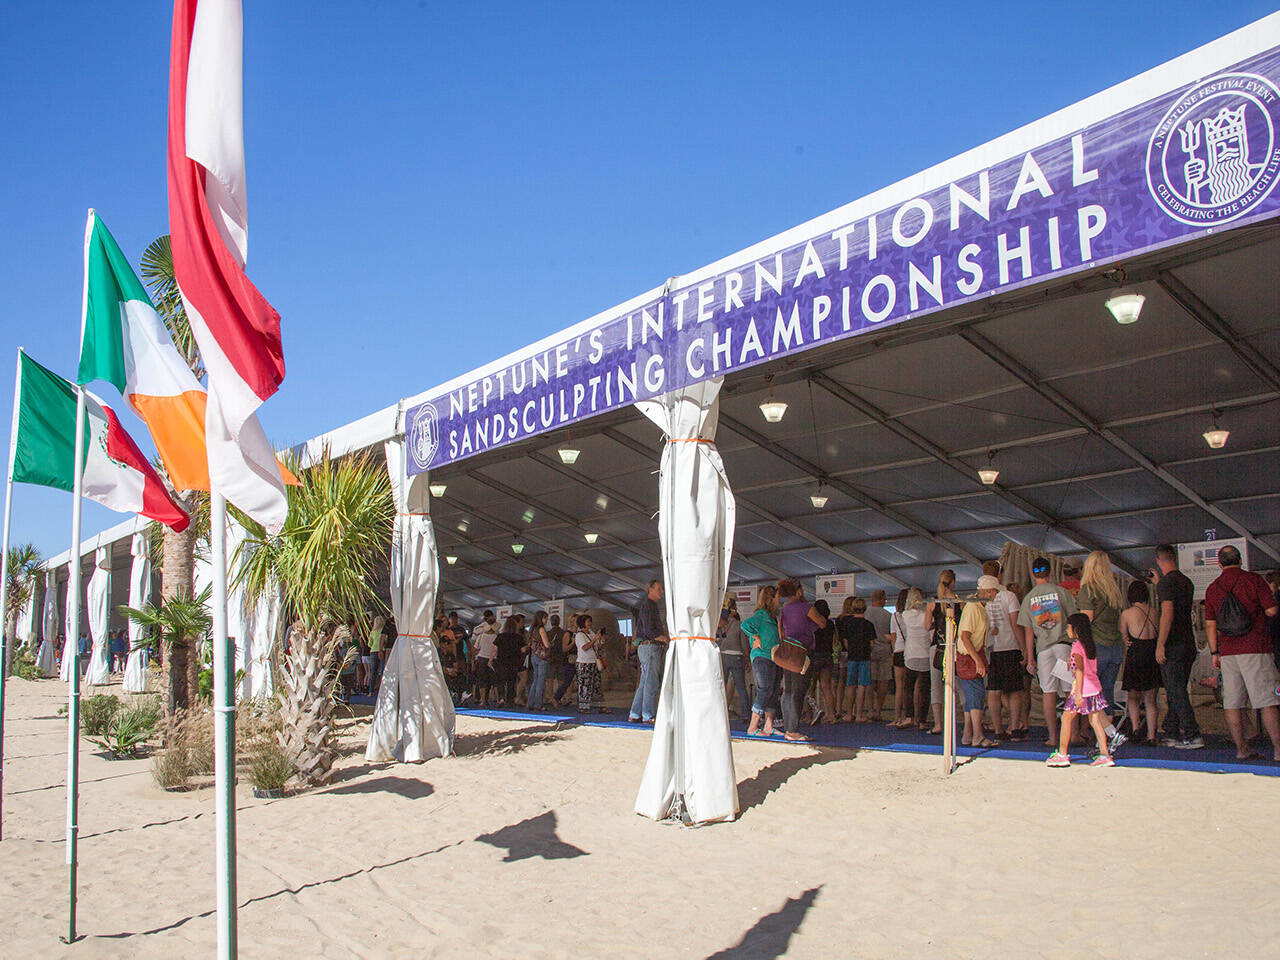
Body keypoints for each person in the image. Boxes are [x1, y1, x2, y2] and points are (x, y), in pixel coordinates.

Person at [1204, 544, 1280, 761]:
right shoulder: (1254, 580)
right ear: (1240, 561)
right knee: (1266, 700)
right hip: (1256, 648)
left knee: (1232, 703)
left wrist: (1214, 652)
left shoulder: (1213, 588)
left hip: (1227, 652)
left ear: (1219, 563)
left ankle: (1241, 749)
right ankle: (1277, 750)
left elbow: (1210, 625)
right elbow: (1272, 610)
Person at [1018, 557, 1077, 747]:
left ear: (1033, 574)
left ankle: (1053, 737)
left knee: (1048, 693)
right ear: (1050, 572)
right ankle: (1073, 734)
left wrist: (1029, 658)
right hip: (1063, 645)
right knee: (1069, 691)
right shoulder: (1061, 592)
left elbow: (1028, 631)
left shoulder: (1029, 598)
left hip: (1043, 650)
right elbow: (1074, 620)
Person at [1150, 544, 1203, 749]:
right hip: (1188, 642)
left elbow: (1168, 613)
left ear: (1158, 560)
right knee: (1176, 689)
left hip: (1173, 644)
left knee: (1175, 690)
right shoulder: (1185, 582)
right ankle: (1171, 730)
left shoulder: (1166, 584)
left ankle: (1192, 733)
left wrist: (1160, 644)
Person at [1046, 614, 1115, 767]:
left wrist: (1077, 693)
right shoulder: (1089, 645)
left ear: (1075, 629)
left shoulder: (1076, 646)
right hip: (1094, 687)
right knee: (1095, 721)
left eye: (1068, 626)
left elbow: (1080, 670)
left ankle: (1062, 754)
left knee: (1066, 719)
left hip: (1081, 688)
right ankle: (1105, 754)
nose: (1066, 629)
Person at [1077, 551, 1126, 748]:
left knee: (1090, 696)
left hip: (1096, 648)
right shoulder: (1114, 591)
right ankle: (1104, 743)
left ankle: (1106, 737)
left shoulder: (1088, 590)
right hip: (1115, 648)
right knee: (1107, 696)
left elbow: (1085, 620)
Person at [982, 561, 1026, 740]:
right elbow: (1016, 624)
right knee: (1015, 690)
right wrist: (1024, 648)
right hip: (1010, 646)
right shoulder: (1009, 596)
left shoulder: (983, 600)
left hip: (993, 649)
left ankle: (998, 729)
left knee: (994, 690)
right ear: (999, 575)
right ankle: (1014, 726)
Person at [777, 579, 823, 741]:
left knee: (788, 690)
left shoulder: (784, 610)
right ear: (799, 591)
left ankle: (788, 728)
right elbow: (822, 623)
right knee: (799, 690)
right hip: (803, 652)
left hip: (787, 650)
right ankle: (793, 730)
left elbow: (781, 632)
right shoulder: (806, 608)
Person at [1119, 580, 1162, 745]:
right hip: (1152, 653)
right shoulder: (1155, 612)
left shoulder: (1127, 613)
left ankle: (1136, 728)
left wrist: (1126, 640)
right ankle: (1152, 735)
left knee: (1133, 696)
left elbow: (1125, 637)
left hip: (1136, 653)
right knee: (1151, 699)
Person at [958, 577, 998, 748]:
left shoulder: (980, 608)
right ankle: (978, 735)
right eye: (995, 591)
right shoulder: (974, 607)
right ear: (989, 592)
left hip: (972, 654)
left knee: (973, 696)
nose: (996, 595)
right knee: (976, 696)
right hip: (969, 656)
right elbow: (965, 636)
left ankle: (968, 733)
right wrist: (978, 661)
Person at [925, 570, 962, 735]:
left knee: (936, 687)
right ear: (953, 582)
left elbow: (927, 626)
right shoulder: (959, 601)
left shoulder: (933, 602)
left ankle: (938, 724)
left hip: (937, 646)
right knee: (957, 686)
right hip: (954, 646)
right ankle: (955, 721)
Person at [742, 586, 781, 738]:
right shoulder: (761, 615)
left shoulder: (772, 617)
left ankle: (769, 725)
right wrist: (756, 637)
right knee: (764, 689)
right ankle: (753, 726)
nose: (779, 600)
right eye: (777, 597)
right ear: (770, 599)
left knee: (773, 690)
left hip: (773, 657)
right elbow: (745, 625)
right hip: (762, 656)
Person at [630, 579, 668, 724]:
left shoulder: (650, 606)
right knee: (651, 682)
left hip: (647, 647)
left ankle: (635, 714)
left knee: (644, 682)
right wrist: (663, 638)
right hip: (651, 646)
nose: (661, 591)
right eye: (659, 588)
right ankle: (648, 715)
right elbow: (649, 630)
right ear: (650, 589)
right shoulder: (648, 607)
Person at [892, 588, 931, 729]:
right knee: (924, 690)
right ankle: (921, 720)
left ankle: (909, 717)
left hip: (910, 654)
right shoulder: (926, 615)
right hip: (925, 653)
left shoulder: (906, 615)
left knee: (908, 687)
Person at [837, 597, 876, 722]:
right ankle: (859, 714)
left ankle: (849, 714)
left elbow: (845, 641)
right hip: (864, 656)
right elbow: (872, 643)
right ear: (864, 609)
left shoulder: (847, 623)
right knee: (862, 685)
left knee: (850, 685)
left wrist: (851, 650)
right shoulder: (868, 624)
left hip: (852, 656)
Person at [719, 606, 750, 721]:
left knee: (722, 686)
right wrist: (747, 658)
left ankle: (720, 713)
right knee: (741, 687)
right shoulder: (739, 625)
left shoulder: (721, 624)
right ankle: (746, 715)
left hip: (723, 655)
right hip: (737, 656)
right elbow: (744, 644)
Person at [809, 599, 838, 723]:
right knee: (826, 687)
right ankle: (831, 715)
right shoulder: (831, 624)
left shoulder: (813, 624)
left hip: (815, 656)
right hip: (827, 656)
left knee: (810, 688)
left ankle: (810, 715)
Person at [865, 589, 893, 720]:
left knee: (869, 681)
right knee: (883, 680)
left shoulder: (866, 613)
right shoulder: (888, 615)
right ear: (882, 599)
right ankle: (878, 710)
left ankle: (870, 709)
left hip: (869, 650)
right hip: (884, 650)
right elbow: (891, 635)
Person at [574, 613, 607, 713]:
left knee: (597, 684)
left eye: (590, 621)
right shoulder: (579, 635)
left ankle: (599, 706)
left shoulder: (591, 633)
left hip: (593, 662)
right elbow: (585, 647)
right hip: (584, 663)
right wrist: (595, 639)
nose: (590, 623)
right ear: (582, 623)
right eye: (588, 621)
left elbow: (596, 647)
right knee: (585, 685)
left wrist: (601, 640)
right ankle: (583, 707)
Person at [493, 616, 526, 707]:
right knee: (511, 682)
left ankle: (501, 699)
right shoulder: (518, 637)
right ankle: (510, 700)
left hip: (501, 662)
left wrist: (491, 660)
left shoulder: (500, 636)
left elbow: (494, 649)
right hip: (513, 662)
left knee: (501, 681)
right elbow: (523, 650)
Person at [890, 589, 910, 725]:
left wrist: (893, 651)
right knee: (911, 687)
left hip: (898, 650)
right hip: (910, 651)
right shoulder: (911, 615)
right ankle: (911, 716)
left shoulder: (895, 616)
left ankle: (897, 717)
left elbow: (893, 637)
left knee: (899, 687)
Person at [526, 610, 552, 711]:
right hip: (542, 657)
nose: (546, 620)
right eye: (545, 618)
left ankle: (530, 702)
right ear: (541, 618)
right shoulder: (541, 629)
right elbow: (546, 644)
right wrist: (550, 645)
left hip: (534, 655)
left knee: (535, 679)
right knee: (541, 680)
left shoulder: (532, 629)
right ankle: (538, 704)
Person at [472, 610, 499, 707]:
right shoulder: (496, 636)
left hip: (481, 658)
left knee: (482, 680)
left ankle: (483, 700)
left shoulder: (481, 636)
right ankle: (497, 699)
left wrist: (474, 657)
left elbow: (475, 648)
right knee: (495, 681)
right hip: (493, 659)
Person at [546, 614, 573, 707]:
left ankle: (550, 697)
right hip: (562, 659)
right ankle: (560, 697)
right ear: (559, 621)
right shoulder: (564, 633)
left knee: (550, 679)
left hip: (550, 659)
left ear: (550, 622)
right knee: (561, 680)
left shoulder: (548, 633)